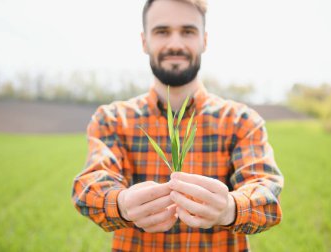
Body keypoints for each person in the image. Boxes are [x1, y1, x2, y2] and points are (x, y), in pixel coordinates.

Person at [72, 0, 284, 251]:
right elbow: (89, 187)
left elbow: (267, 195)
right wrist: (121, 203)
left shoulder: (242, 121)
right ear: (144, 41)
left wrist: (230, 208)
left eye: (187, 31)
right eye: (162, 31)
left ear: (204, 40)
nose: (175, 44)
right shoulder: (113, 120)